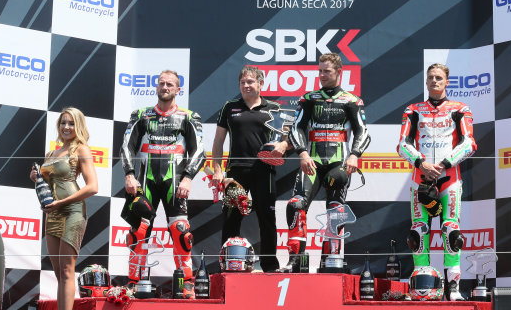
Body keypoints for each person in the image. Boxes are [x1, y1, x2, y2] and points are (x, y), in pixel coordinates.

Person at [281, 53, 371, 272]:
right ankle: (297, 259)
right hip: (311, 162)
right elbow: (296, 128)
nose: (322, 75)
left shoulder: (352, 100)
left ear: (339, 72)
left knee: (335, 210)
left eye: (326, 71)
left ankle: (330, 259)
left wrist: (354, 155)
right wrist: (302, 153)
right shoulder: (309, 98)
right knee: (295, 204)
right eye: (320, 70)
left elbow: (363, 132)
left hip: (338, 163)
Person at [120, 70, 205, 297]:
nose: (165, 87)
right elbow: (127, 147)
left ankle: (186, 282)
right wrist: (129, 174)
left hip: (175, 183)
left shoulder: (189, 117)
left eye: (170, 84)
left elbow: (199, 152)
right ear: (156, 87)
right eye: (161, 83)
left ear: (178, 90)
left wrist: (187, 178)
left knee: (181, 232)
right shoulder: (141, 115)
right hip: (145, 182)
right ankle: (133, 282)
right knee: (139, 230)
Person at [397, 63, 477, 301]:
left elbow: (470, 143)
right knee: (418, 232)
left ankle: (453, 287)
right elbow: (402, 144)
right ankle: (422, 287)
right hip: (420, 178)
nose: (434, 81)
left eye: (439, 78)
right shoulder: (413, 109)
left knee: (451, 231)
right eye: (430, 77)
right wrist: (421, 163)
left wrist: (444, 163)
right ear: (426, 81)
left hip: (449, 177)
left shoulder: (460, 108)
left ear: (447, 82)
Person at [211, 66, 290, 272]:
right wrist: (217, 170)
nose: (246, 85)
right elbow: (218, 141)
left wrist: (283, 146)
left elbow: (287, 138)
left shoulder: (273, 107)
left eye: (250, 82)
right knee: (231, 217)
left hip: (265, 171)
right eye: (243, 82)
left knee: (267, 218)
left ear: (261, 84)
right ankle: (228, 264)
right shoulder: (230, 107)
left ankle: (270, 265)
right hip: (235, 171)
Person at [29, 107, 98, 310]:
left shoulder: (81, 149)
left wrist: (61, 203)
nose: (66, 127)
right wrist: (36, 178)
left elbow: (93, 186)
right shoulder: (51, 152)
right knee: (59, 272)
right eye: (63, 123)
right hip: (53, 213)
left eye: (71, 123)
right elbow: (48, 186)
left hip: (73, 211)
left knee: (67, 270)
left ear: (78, 126)